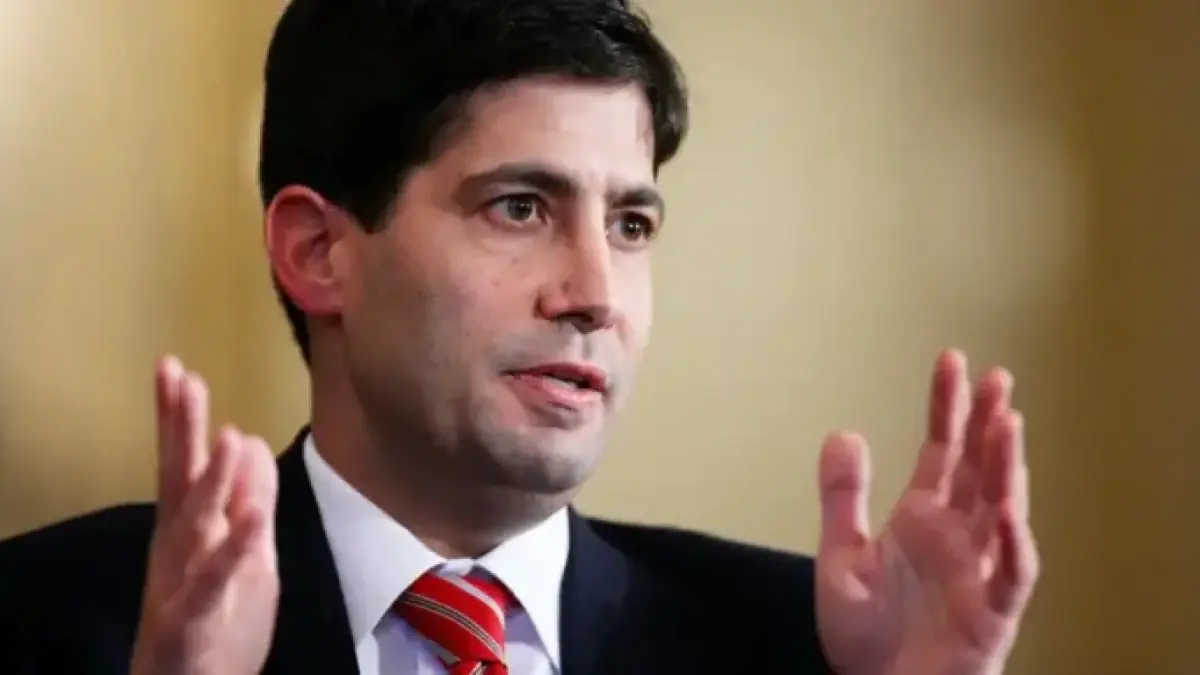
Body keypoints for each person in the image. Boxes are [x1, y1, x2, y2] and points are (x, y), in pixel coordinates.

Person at [0, 1, 1040, 673]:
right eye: (519, 208)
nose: (595, 295)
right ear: (319, 251)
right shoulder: (59, 620)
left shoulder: (805, 645)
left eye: (630, 225)